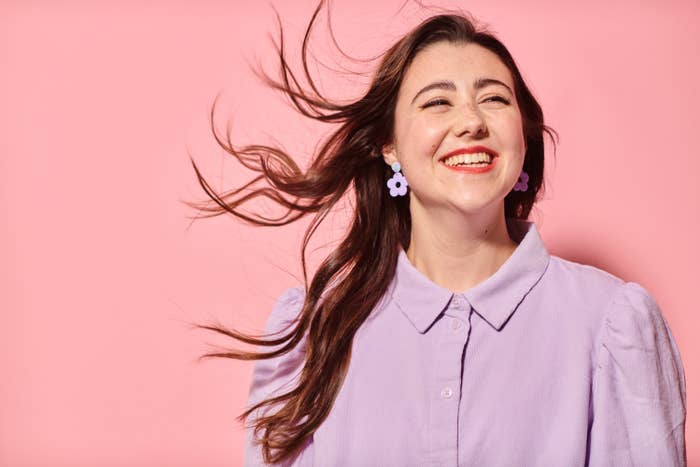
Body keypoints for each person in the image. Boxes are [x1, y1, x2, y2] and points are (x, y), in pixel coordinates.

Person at [188, 1, 687, 465]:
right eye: (436, 103)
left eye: (494, 98)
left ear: (521, 133)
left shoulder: (610, 325)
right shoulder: (315, 330)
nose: (470, 122)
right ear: (390, 147)